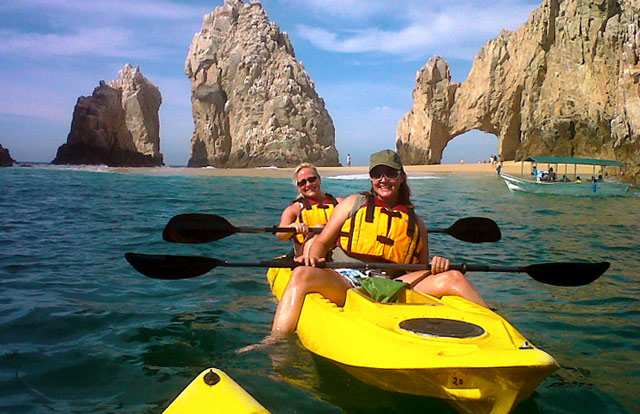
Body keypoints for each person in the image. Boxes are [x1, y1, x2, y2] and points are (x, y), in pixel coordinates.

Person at [267, 150, 489, 340]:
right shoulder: (353, 203)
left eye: (390, 173)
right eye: (377, 174)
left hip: (392, 283)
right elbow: (323, 241)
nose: (383, 180)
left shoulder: (416, 222)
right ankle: (276, 341)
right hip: (346, 278)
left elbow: (421, 269)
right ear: (371, 179)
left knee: (454, 277)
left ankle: (500, 330)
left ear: (401, 177)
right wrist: (312, 256)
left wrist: (438, 266)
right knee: (302, 275)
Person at [276, 163, 343, 258]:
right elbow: (280, 235)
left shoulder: (339, 203)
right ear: (298, 187)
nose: (308, 185)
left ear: (319, 179)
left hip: (335, 258)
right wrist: (293, 227)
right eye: (302, 183)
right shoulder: (294, 209)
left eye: (312, 179)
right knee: (317, 231)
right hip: (305, 258)